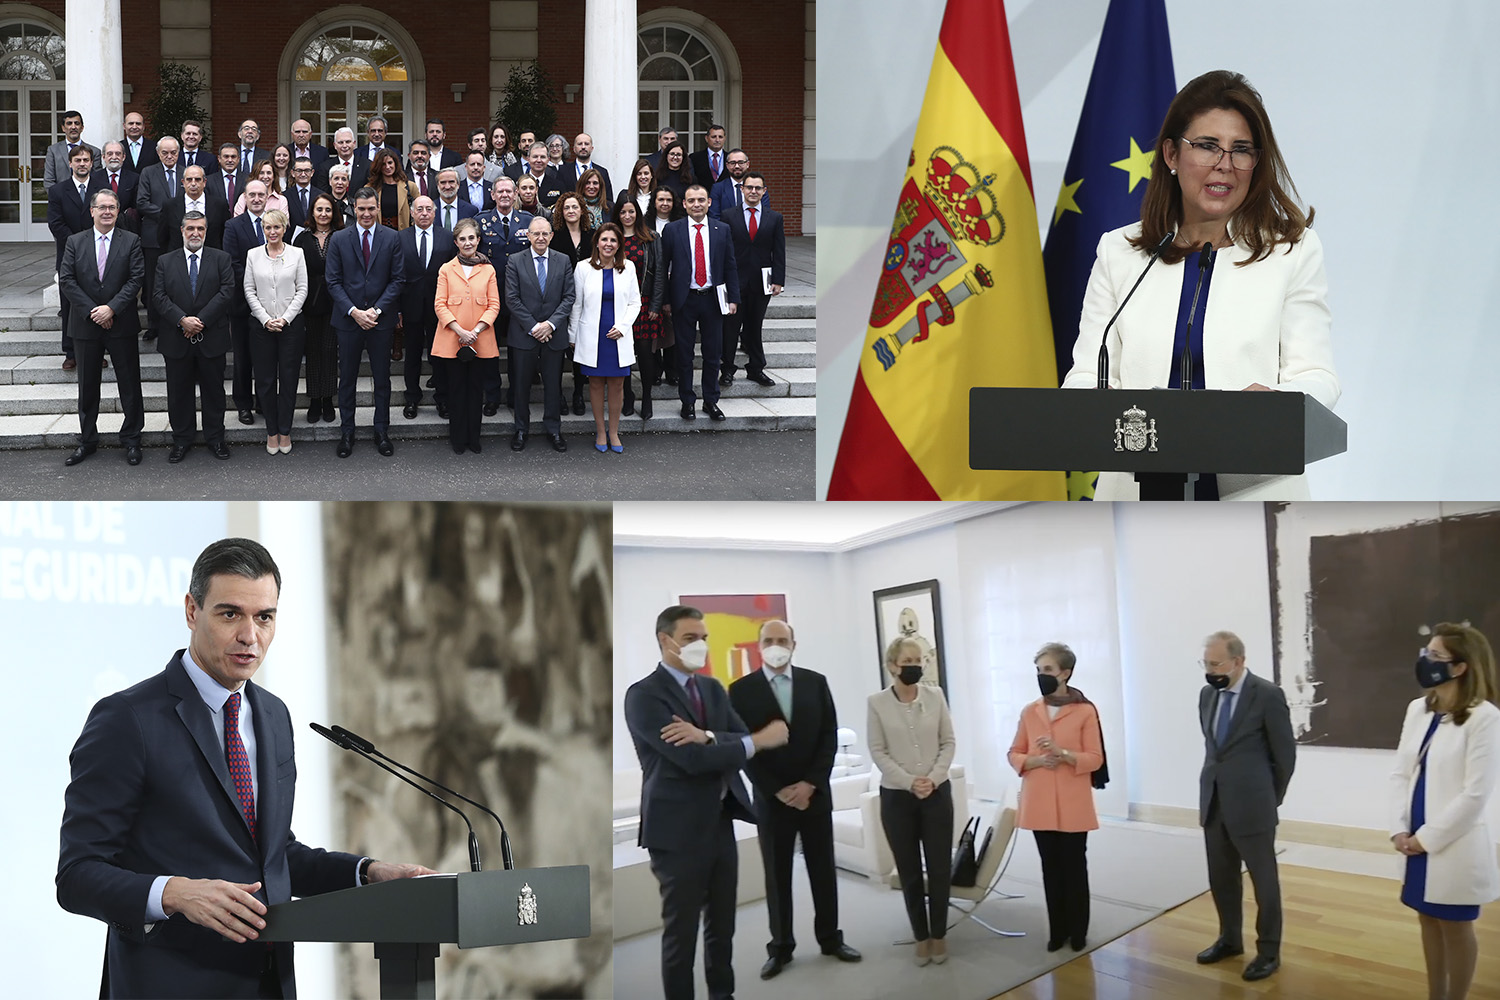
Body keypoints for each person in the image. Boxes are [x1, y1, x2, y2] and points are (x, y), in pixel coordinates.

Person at [56, 538, 437, 999]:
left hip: (269, 984)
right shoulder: (128, 719)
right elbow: (77, 874)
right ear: (192, 611)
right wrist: (174, 893)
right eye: (230, 613)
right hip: (169, 984)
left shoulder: (273, 716)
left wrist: (367, 873)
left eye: (265, 617)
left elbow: (273, 857)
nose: (249, 636)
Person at [1059, 70, 1339, 500]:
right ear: (1171, 154)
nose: (1224, 165)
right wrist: (1102, 408)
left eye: (1241, 150)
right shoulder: (1119, 253)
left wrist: (1276, 402)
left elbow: (1318, 376)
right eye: (1207, 146)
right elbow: (1084, 378)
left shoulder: (1292, 250)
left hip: (1254, 491)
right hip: (1134, 494)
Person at [623, 605, 790, 1000]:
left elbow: (732, 738)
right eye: (689, 639)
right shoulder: (644, 696)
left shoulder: (713, 688)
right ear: (665, 641)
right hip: (676, 833)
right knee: (681, 935)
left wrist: (709, 736)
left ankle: (722, 995)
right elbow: (692, 759)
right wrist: (751, 742)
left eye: (703, 638)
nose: (699, 646)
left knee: (722, 925)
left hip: (719, 822)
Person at [729, 620, 861, 980]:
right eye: (769, 640)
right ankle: (781, 947)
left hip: (814, 796)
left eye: (782, 640)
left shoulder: (815, 682)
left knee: (823, 871)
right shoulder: (740, 691)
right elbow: (742, 749)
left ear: (793, 644)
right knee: (777, 875)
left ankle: (831, 939)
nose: (776, 645)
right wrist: (778, 790)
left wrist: (811, 784)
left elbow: (827, 737)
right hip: (772, 801)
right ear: (759, 646)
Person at [1390, 623, 1500, 1000]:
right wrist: (1399, 830)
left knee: (1455, 927)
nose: (1425, 661)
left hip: (1452, 844)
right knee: (1427, 919)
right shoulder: (1418, 709)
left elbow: (1475, 795)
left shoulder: (1485, 718)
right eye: (1426, 653)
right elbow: (1401, 772)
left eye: (1435, 656)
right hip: (1414, 839)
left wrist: (1426, 839)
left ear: (1460, 667)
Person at [1197, 630, 1296, 982]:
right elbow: (1215, 749)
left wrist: (1271, 797)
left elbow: (1284, 756)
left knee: (1263, 882)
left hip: (1253, 804)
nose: (1209, 670)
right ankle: (1229, 939)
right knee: (1221, 879)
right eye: (1205, 663)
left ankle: (1269, 951)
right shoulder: (1207, 695)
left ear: (1238, 661)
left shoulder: (1267, 695)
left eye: (1216, 663)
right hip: (1215, 801)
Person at [1007, 643, 1103, 953]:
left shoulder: (1085, 710)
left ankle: (1078, 931)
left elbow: (1095, 759)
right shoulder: (1030, 710)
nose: (1041, 676)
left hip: (1074, 804)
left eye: (1047, 670)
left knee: (1074, 867)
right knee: (1050, 868)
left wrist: (1062, 753)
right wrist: (1034, 761)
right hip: (1039, 803)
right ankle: (1056, 930)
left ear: (1065, 673)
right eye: (1038, 670)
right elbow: (1014, 753)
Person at [867, 636, 957, 967]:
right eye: (907, 662)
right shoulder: (876, 703)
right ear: (892, 666)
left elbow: (948, 741)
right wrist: (909, 782)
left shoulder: (936, 696)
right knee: (908, 869)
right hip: (896, 797)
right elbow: (878, 751)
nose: (914, 667)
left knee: (938, 867)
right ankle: (921, 936)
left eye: (919, 661)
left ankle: (939, 934)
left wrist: (932, 779)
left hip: (937, 793)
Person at [59, 189, 145, 467]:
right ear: (92, 211)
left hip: (121, 323)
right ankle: (87, 440)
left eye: (112, 207)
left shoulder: (131, 240)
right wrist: (94, 311)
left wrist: (112, 308)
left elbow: (136, 279)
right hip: (86, 325)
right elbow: (68, 280)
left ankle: (132, 439)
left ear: (118, 211)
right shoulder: (75, 241)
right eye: (102, 207)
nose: (107, 212)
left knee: (129, 384)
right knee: (87, 386)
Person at [326, 187, 404, 458]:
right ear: (353, 209)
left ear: (378, 208)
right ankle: (347, 431)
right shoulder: (338, 239)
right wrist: (354, 312)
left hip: (380, 323)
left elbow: (397, 280)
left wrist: (377, 311)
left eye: (372, 208)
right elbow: (333, 282)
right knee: (346, 379)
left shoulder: (392, 238)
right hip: (349, 322)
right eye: (362, 209)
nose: (367, 213)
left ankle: (381, 430)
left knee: (382, 379)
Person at [153, 211, 235, 462]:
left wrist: (200, 322)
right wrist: (182, 320)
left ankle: (215, 438)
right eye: (190, 229)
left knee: (214, 392)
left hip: (211, 337)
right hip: (176, 339)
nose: (195, 233)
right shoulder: (165, 261)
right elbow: (158, 296)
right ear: (181, 231)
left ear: (206, 231)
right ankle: (181, 440)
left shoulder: (221, 258)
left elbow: (227, 291)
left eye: (200, 228)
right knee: (179, 393)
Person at [661, 184, 738, 421]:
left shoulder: (721, 229)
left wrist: (733, 298)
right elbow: (663, 268)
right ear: (684, 204)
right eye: (691, 200)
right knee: (684, 355)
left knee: (713, 353)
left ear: (709, 203)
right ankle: (687, 401)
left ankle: (711, 401)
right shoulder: (672, 230)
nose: (696, 204)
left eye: (701, 200)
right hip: (684, 301)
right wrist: (665, 301)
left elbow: (730, 265)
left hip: (712, 300)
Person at [504, 216, 575, 453]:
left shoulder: (563, 260)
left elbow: (568, 297)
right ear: (528, 236)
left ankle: (554, 429)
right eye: (536, 234)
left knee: (553, 385)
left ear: (552, 236)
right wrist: (535, 327)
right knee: (521, 385)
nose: (541, 238)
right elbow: (512, 298)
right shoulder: (515, 261)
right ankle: (521, 429)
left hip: (554, 335)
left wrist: (550, 325)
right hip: (525, 334)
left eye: (545, 233)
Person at [242, 209, 308, 455]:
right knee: (266, 380)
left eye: (276, 227)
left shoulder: (297, 254)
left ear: (285, 228)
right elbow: (249, 290)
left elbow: (302, 290)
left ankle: (285, 429)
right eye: (268, 227)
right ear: (263, 229)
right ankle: (271, 431)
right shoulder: (253, 255)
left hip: (291, 327)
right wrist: (266, 319)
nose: (272, 232)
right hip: (261, 327)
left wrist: (285, 318)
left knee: (289, 380)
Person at [569, 223, 638, 453]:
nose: (608, 244)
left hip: (617, 334)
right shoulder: (582, 268)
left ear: (619, 245)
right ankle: (600, 431)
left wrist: (623, 326)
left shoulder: (628, 267)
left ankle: (614, 432)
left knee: (617, 385)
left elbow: (634, 303)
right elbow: (576, 304)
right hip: (592, 334)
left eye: (613, 240)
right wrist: (573, 335)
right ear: (596, 242)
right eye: (604, 239)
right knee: (596, 384)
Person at [432, 218, 499, 455]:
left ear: (478, 240)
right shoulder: (446, 269)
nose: (468, 242)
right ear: (456, 242)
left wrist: (476, 331)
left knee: (475, 390)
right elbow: (440, 305)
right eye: (463, 238)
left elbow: (494, 305)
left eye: (472, 238)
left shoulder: (488, 269)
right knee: (456, 390)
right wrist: (460, 331)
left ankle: (474, 437)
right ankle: (458, 438)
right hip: (453, 339)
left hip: (480, 339)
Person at [721, 171, 784, 388]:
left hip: (761, 282)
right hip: (734, 282)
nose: (753, 191)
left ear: (764, 191)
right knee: (730, 328)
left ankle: (756, 369)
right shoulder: (728, 215)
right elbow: (724, 250)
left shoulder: (774, 217)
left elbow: (779, 251)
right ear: (742, 189)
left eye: (758, 188)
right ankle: (727, 369)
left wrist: (779, 280)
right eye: (749, 187)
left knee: (754, 327)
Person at [475, 177, 531, 417]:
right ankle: (492, 394)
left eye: (509, 190)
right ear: (493, 194)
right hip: (490, 297)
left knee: (517, 349)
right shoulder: (481, 221)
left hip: (520, 297)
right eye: (501, 191)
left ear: (516, 193)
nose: (505, 194)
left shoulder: (528, 221)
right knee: (489, 348)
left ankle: (515, 394)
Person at [48, 143, 105, 370]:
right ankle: (70, 352)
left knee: (95, 301)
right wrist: (78, 245)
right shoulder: (58, 191)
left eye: (86, 160)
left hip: (98, 253)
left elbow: (107, 218)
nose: (82, 164)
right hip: (69, 255)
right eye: (78, 160)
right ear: (70, 164)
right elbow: (55, 223)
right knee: (70, 303)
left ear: (92, 163)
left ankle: (97, 351)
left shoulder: (101, 189)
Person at [397, 195, 455, 419]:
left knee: (439, 355)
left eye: (428, 209)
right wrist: (397, 310)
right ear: (412, 213)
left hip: (440, 308)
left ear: (434, 212)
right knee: (411, 356)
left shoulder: (447, 237)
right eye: (419, 209)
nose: (423, 213)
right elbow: (396, 275)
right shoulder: (400, 238)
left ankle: (443, 398)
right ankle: (412, 398)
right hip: (410, 306)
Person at [613, 195, 668, 419]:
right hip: (618, 305)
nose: (627, 216)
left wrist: (656, 303)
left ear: (638, 213)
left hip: (645, 305)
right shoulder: (611, 237)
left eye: (631, 212)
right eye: (623, 212)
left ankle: (646, 397)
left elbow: (659, 273)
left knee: (645, 354)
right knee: (623, 353)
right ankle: (627, 395)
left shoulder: (650, 238)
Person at [222, 180, 271, 425]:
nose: (256, 198)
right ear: (245, 197)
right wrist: (258, 283)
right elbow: (232, 263)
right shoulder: (233, 226)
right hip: (242, 304)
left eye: (261, 194)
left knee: (265, 356)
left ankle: (264, 401)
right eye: (252, 194)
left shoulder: (274, 223)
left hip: (271, 304)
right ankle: (243, 404)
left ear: (267, 196)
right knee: (242, 358)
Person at [292, 192, 343, 424]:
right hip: (309, 302)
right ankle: (314, 399)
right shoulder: (301, 239)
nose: (323, 214)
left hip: (336, 302)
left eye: (328, 210)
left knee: (330, 351)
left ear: (334, 213)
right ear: (312, 212)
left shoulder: (342, 236)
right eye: (319, 209)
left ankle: (328, 399)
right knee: (312, 352)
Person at [550, 191, 596, 417]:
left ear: (582, 210)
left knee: (581, 346)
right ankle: (558, 394)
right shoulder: (554, 236)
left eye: (575, 207)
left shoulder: (593, 235)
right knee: (560, 347)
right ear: (561, 211)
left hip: (587, 299)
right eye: (566, 207)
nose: (571, 211)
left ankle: (578, 392)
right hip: (560, 298)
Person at [162, 164, 229, 252]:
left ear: (204, 182)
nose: (193, 183)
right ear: (183, 182)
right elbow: (163, 236)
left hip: (212, 258)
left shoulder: (219, 205)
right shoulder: (170, 205)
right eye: (189, 180)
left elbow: (224, 234)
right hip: (178, 258)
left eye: (197, 179)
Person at [43, 109, 100, 188]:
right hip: (60, 198)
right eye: (69, 123)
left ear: (82, 128)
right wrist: (58, 198)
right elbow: (49, 180)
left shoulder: (95, 152)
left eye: (77, 123)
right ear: (63, 128)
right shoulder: (53, 151)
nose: (73, 127)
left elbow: (97, 180)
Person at [364, 148, 417, 231]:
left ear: (395, 163)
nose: (387, 167)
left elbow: (419, 209)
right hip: (379, 235)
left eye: (390, 163)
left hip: (402, 233)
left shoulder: (409, 186)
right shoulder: (370, 188)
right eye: (383, 164)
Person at [708, 149, 768, 219]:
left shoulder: (758, 187)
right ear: (727, 165)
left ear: (747, 164)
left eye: (741, 162)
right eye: (732, 163)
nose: (737, 166)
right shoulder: (718, 188)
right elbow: (714, 217)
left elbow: (765, 214)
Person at [517, 141, 564, 210]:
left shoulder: (558, 185)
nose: (539, 160)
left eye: (542, 157)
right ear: (528, 159)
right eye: (535, 157)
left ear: (548, 160)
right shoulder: (518, 183)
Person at [566, 132, 612, 201]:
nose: (583, 147)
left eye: (586, 144)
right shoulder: (563, 171)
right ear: (574, 149)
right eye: (580, 144)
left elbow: (608, 199)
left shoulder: (602, 172)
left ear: (592, 148)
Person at [434, 167, 478, 233]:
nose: (447, 187)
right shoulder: (429, 209)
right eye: (443, 182)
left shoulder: (471, 211)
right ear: (437, 185)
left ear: (458, 184)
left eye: (451, 182)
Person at [284, 156, 321, 232]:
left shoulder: (321, 195)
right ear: (293, 173)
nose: (303, 174)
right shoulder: (285, 196)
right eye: (299, 171)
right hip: (291, 241)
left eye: (307, 170)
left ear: (312, 173)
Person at [690, 123, 729, 188]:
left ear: (724, 138)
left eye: (720, 137)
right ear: (706, 138)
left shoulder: (730, 158)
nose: (717, 140)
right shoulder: (694, 158)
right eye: (714, 137)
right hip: (703, 196)